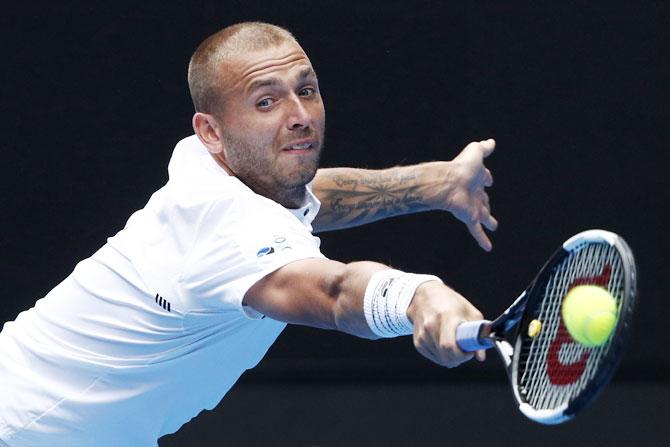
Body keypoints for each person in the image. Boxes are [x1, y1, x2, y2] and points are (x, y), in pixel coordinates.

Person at [0, 22, 497, 446]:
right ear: (210, 131)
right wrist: (419, 295)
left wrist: (434, 183)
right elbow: (334, 291)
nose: (299, 116)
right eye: (266, 102)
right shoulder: (224, 223)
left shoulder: (227, 178)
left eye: (306, 90)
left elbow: (309, 199)